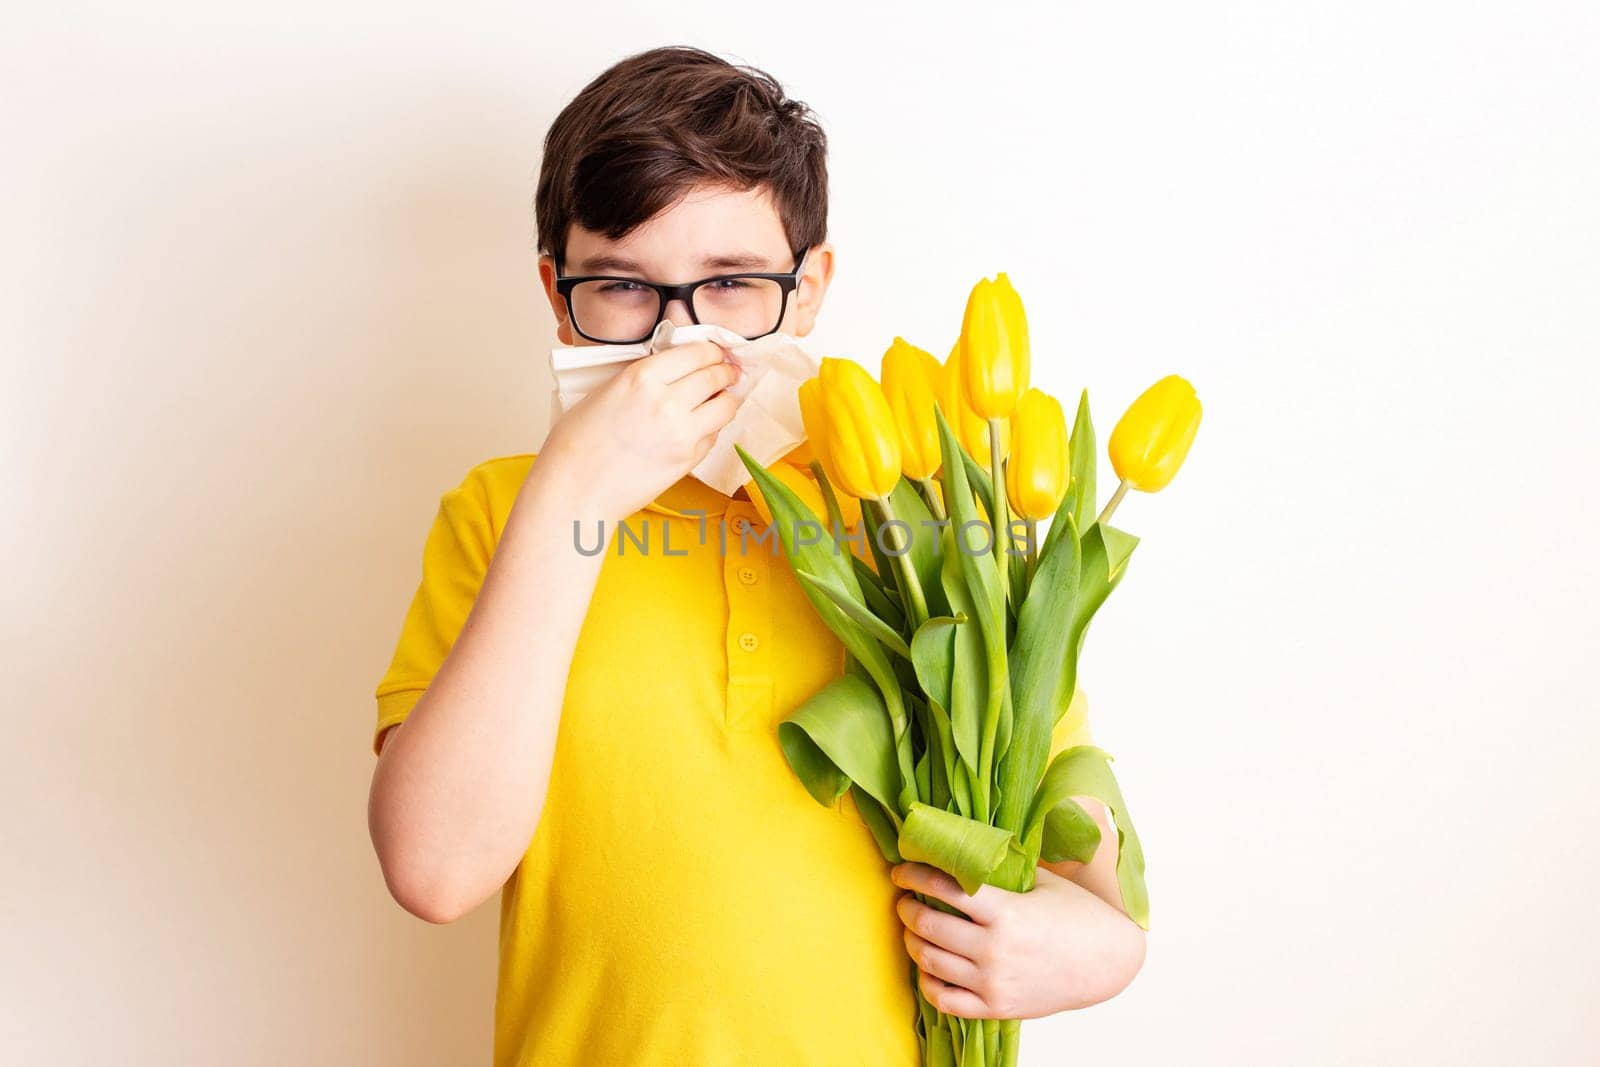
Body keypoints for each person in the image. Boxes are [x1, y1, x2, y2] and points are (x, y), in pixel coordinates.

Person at [367, 44, 1145, 1067]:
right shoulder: (500, 512)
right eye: (623, 287)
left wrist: (1101, 949)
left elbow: (1091, 864)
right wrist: (573, 496)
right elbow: (434, 869)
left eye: (732, 283)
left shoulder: (925, 516)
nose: (679, 337)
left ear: (809, 284)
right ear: (559, 294)